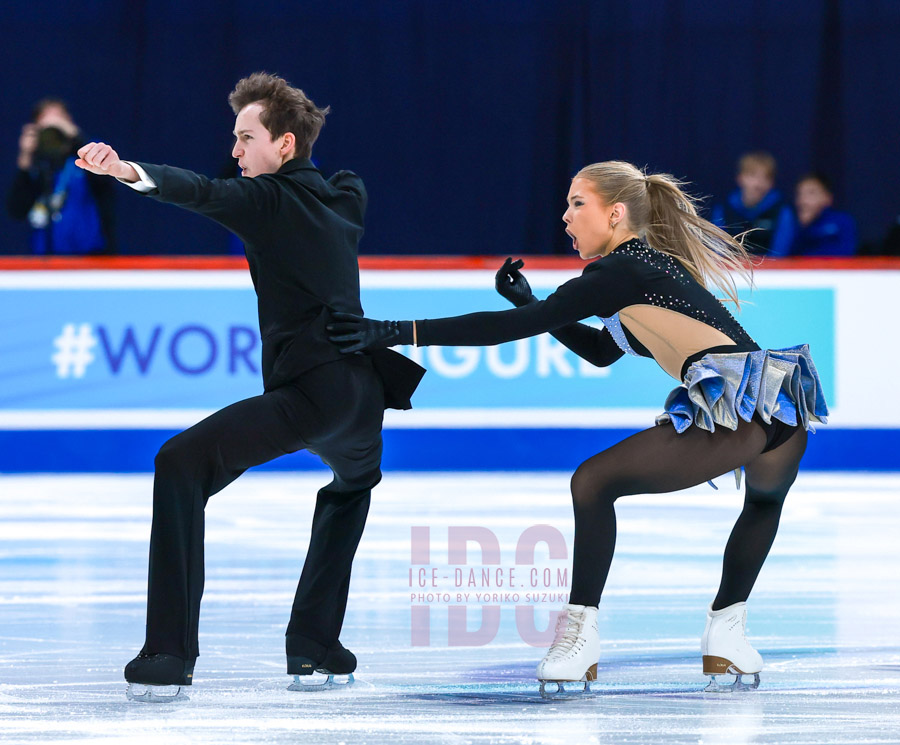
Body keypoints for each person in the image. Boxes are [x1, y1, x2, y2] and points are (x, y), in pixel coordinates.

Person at [328, 160, 828, 695]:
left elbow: (509, 331)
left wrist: (399, 331)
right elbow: (599, 352)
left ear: (615, 214)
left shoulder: (620, 272)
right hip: (778, 407)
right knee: (760, 505)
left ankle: (581, 635)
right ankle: (726, 635)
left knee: (592, 482)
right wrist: (532, 302)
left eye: (577, 204)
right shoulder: (639, 269)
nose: (565, 217)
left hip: (741, 407)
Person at [74, 72, 424, 700]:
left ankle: (167, 653)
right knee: (354, 484)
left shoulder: (266, 199)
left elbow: (200, 192)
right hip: (362, 399)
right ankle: (315, 645)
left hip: (311, 394)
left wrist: (127, 170)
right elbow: (312, 198)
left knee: (179, 462)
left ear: (283, 146)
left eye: (245, 137)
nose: (234, 150)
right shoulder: (344, 196)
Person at [6, 98, 115, 255]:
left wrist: (77, 137)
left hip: (92, 258)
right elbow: (16, 210)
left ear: (69, 123)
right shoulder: (36, 164)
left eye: (59, 119)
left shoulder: (88, 153)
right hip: (46, 261)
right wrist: (25, 156)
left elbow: (107, 182)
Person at [710, 151, 793, 257]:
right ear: (740, 178)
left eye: (765, 177)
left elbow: (780, 253)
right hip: (733, 270)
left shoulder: (782, 211)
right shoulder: (724, 209)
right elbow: (718, 249)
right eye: (752, 175)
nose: (758, 183)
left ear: (772, 182)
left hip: (770, 271)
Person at [788, 172, 857, 257]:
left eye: (811, 193)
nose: (803, 199)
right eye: (800, 194)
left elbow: (847, 253)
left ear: (827, 197)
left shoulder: (843, 221)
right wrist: (803, 228)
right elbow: (790, 257)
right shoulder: (795, 224)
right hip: (806, 270)